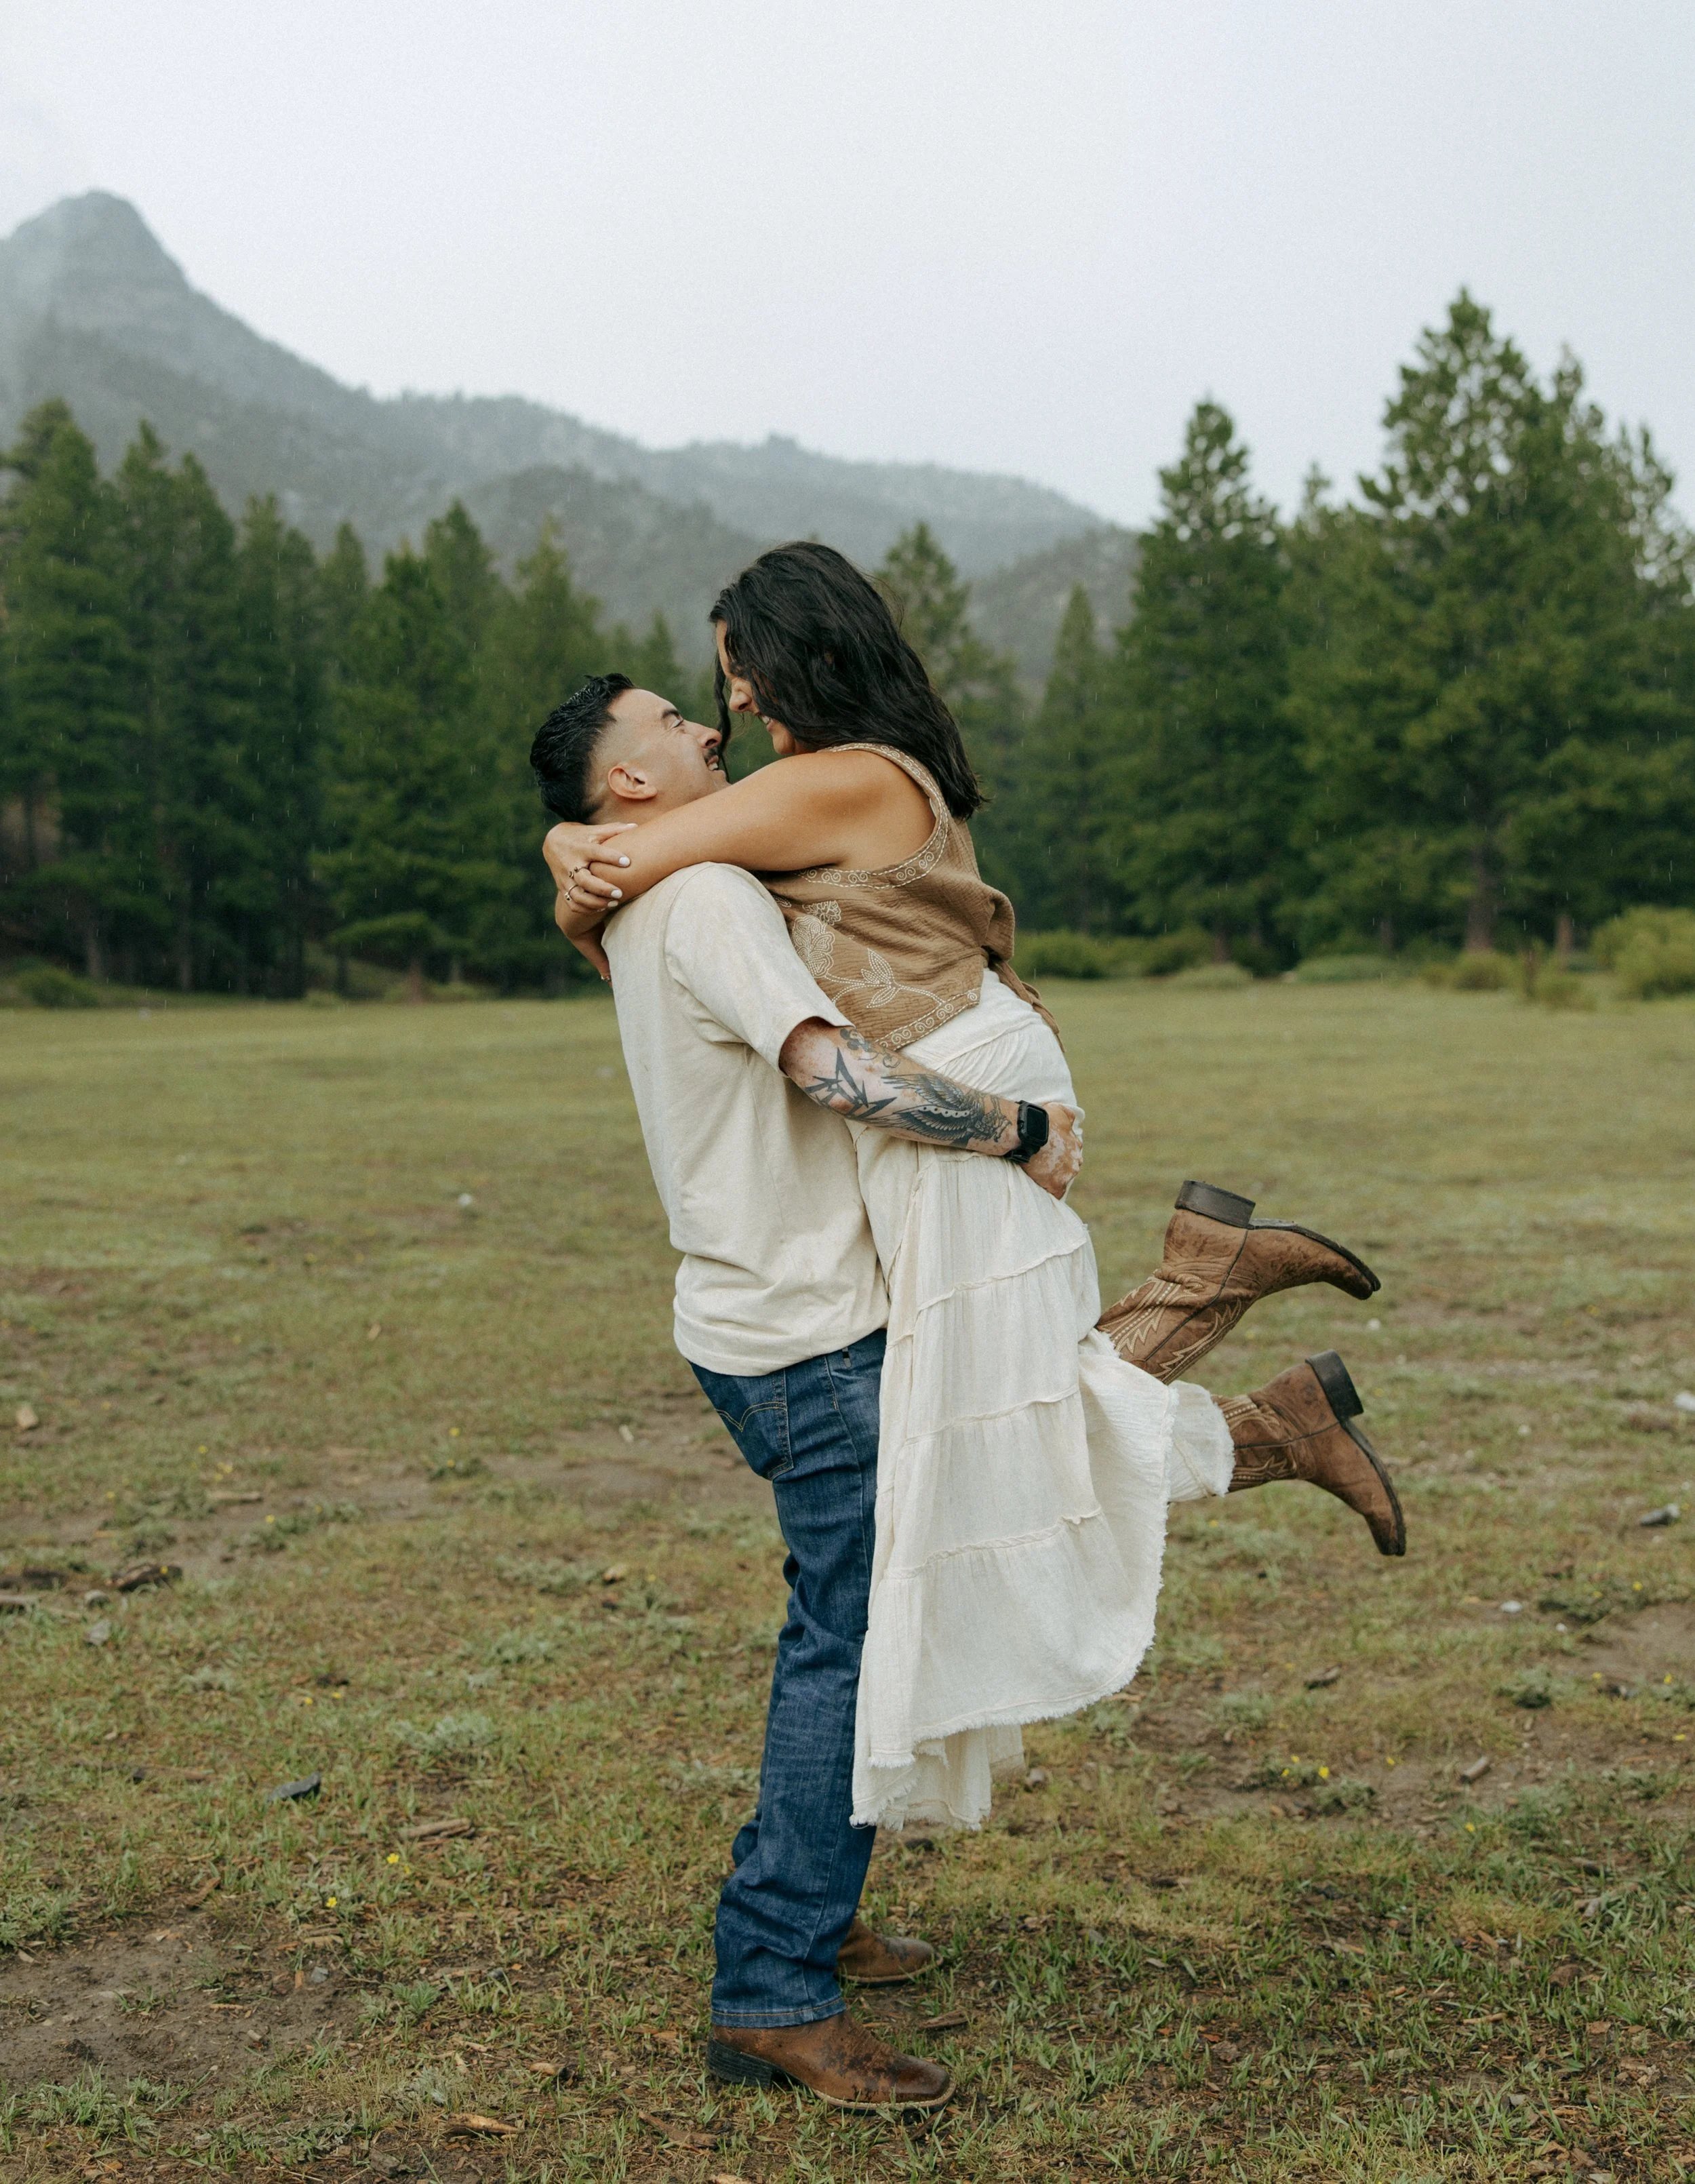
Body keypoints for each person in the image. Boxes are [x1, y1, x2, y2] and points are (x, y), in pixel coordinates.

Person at [544, 547, 1401, 1816]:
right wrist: (582, 846)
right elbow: (650, 868)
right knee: (1000, 1405)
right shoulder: (847, 778)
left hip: (951, 1083)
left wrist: (572, 847)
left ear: (793, 654)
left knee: (999, 1419)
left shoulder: (842, 777)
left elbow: (635, 859)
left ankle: (1241, 1345)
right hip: (953, 1073)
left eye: (734, 679)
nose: (731, 711)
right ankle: (1250, 1365)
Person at [527, 673, 1081, 2111]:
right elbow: (828, 1069)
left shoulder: (655, 896)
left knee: (837, 1621)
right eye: (671, 722)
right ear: (625, 786)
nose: (708, 729)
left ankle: (812, 1917)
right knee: (840, 1641)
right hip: (807, 1336)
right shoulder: (704, 895)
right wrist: (1015, 1129)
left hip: (758, 1321)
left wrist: (564, 871)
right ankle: (771, 1980)